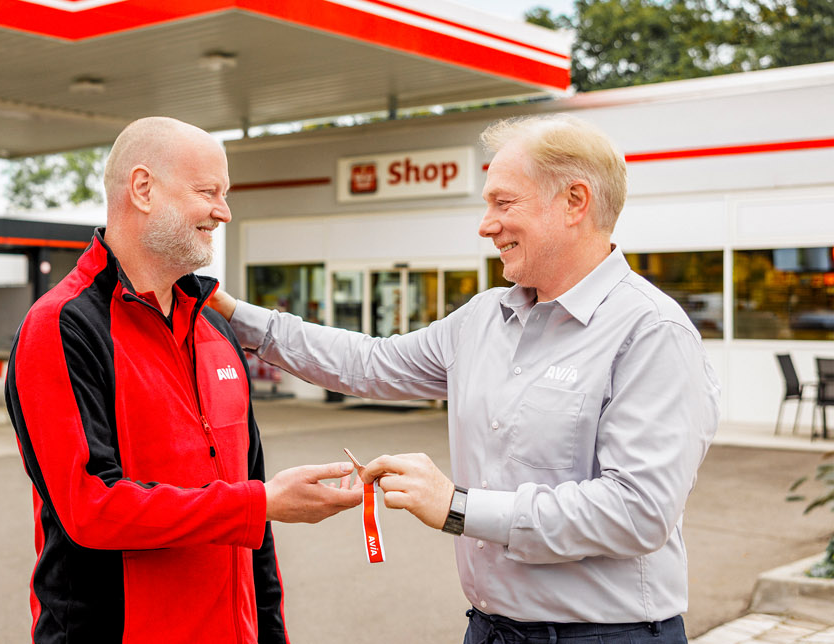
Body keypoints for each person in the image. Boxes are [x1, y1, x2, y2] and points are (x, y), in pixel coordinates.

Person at [210, 114, 721, 643]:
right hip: (490, 630)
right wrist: (229, 312)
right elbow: (368, 362)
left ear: (575, 202)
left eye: (503, 203)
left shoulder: (652, 332)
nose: (485, 224)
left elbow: (637, 512)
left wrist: (457, 507)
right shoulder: (483, 318)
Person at [4, 116, 362, 644]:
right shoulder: (62, 325)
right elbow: (91, 508)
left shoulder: (215, 327)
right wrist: (258, 503)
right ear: (143, 189)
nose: (224, 211)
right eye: (208, 191)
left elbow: (253, 536)